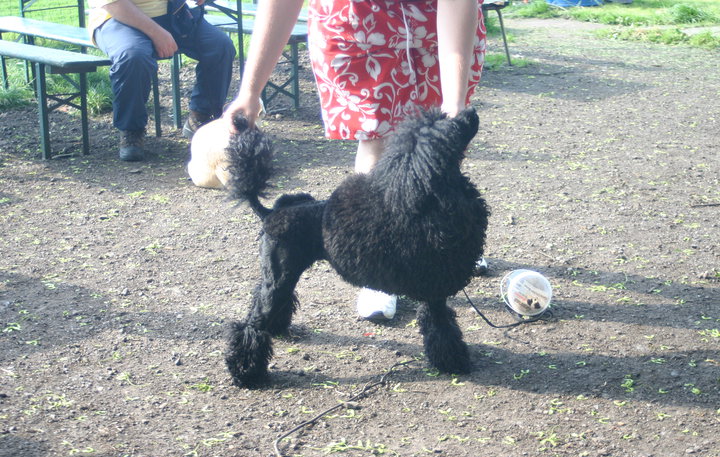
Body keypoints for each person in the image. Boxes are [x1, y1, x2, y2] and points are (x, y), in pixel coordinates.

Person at [223, 0, 486, 319]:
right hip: (358, 22)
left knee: (440, 145)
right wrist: (250, 90)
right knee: (377, 136)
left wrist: (454, 105)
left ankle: (444, 247)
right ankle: (378, 267)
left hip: (437, 21)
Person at [88, 0, 236, 162]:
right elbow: (114, 4)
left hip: (174, 14)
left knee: (220, 46)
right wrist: (157, 33)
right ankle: (131, 130)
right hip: (118, 18)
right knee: (133, 56)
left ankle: (201, 117)